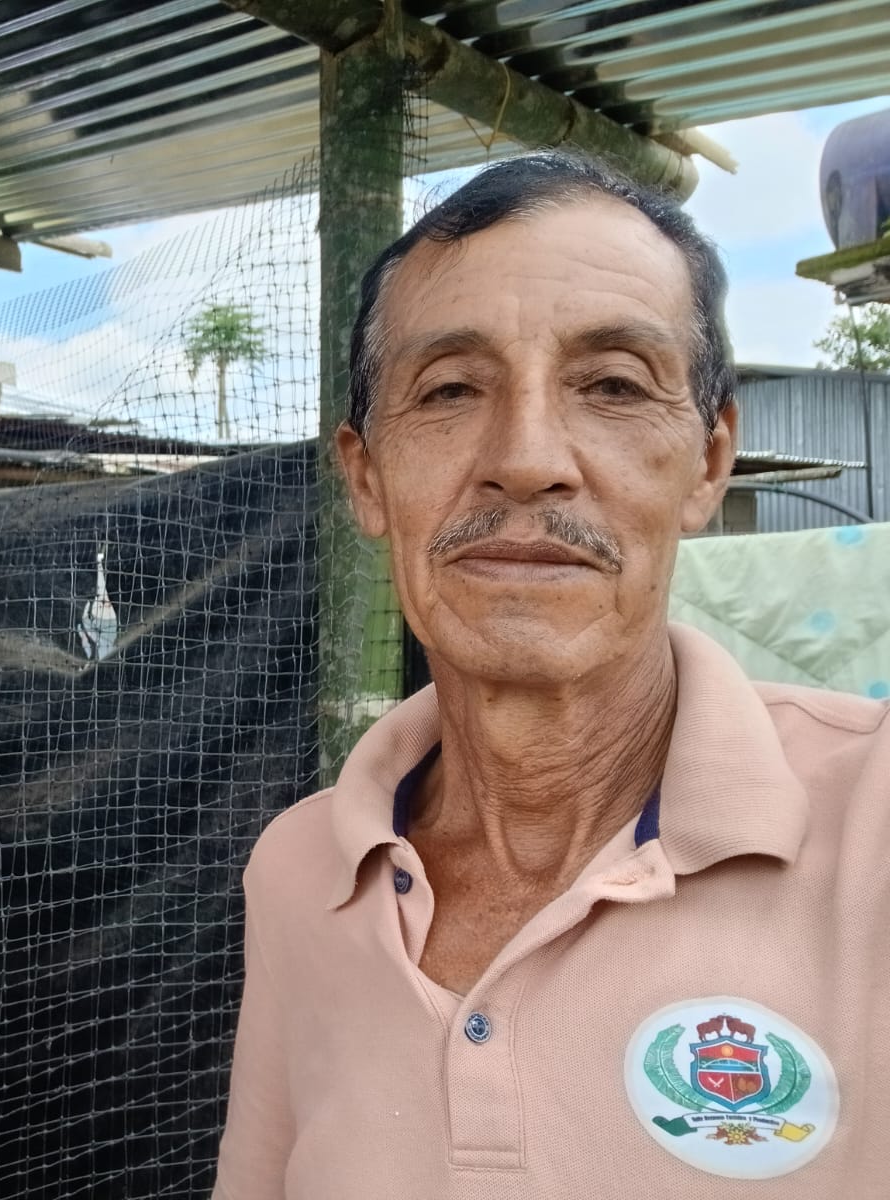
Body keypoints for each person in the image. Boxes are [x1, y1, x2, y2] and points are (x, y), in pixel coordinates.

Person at [212, 153, 890, 1197]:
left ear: (708, 463)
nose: (527, 459)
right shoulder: (302, 871)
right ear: (366, 477)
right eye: (449, 389)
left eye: (613, 385)